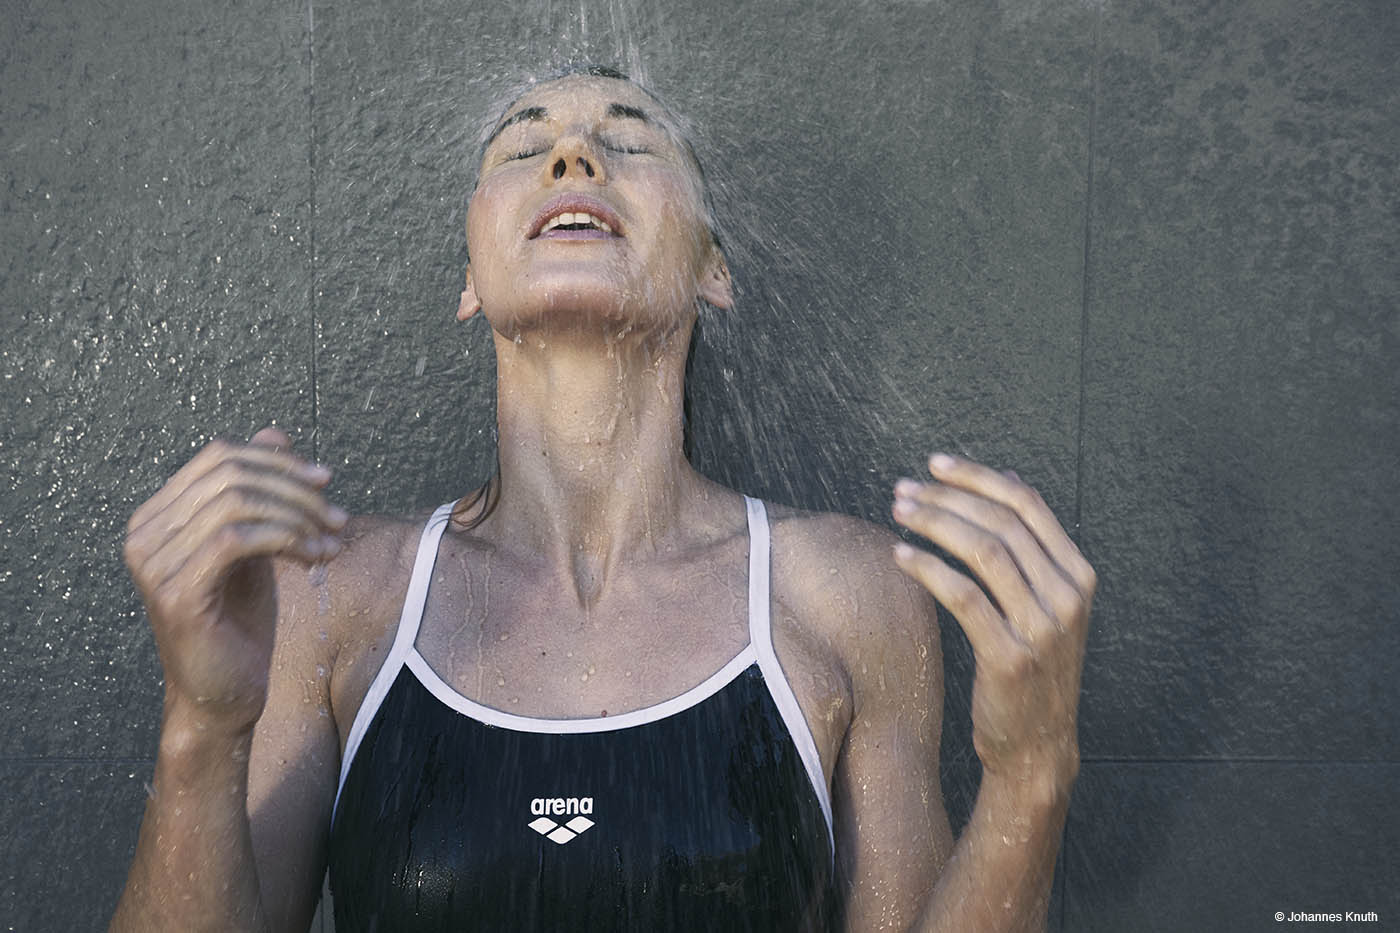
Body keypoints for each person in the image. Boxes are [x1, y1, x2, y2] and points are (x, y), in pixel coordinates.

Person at [111, 65, 1095, 932]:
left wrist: (1031, 773)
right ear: (470, 277)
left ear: (713, 267)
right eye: (523, 146)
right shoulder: (333, 596)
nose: (572, 157)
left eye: (629, 141)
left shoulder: (847, 594)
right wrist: (201, 727)